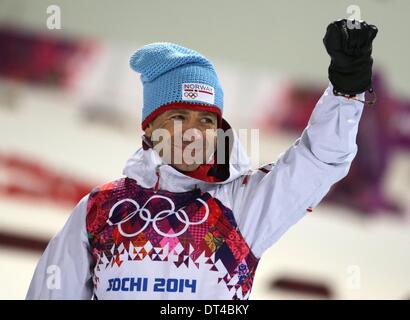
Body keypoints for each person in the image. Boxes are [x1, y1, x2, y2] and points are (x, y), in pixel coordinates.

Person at [26, 19, 378, 300]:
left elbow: (319, 161)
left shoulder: (243, 203)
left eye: (206, 121)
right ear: (150, 127)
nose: (194, 132)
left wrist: (345, 92)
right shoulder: (101, 209)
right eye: (179, 117)